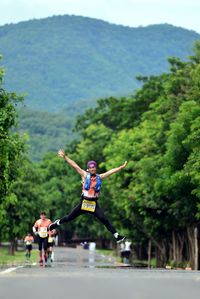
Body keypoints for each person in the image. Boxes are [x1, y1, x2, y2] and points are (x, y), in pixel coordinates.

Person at [49, 149, 127, 243]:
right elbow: (74, 165)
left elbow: (111, 172)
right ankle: (56, 223)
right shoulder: (85, 175)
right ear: (88, 169)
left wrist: (121, 167)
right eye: (91, 168)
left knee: (104, 219)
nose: (93, 169)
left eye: (94, 167)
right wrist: (65, 157)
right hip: (84, 203)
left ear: (95, 168)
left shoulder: (100, 177)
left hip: (93, 204)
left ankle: (117, 236)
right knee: (69, 217)